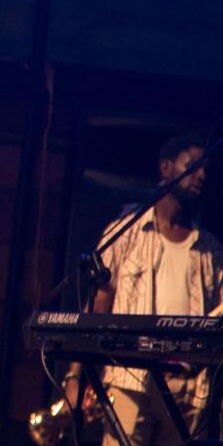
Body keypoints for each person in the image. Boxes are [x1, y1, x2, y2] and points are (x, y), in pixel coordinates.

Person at [63, 134, 223, 445]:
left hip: (187, 393)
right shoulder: (125, 233)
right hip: (130, 382)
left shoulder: (212, 251)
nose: (202, 175)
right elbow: (98, 308)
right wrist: (75, 376)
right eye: (192, 167)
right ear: (166, 168)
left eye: (206, 169)